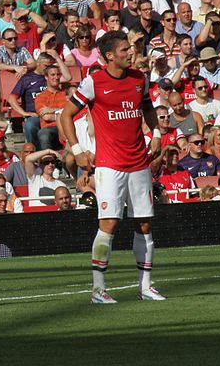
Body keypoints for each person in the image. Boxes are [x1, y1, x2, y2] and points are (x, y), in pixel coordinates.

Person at [60, 30, 164, 303]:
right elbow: (66, 115)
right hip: (109, 166)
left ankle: (145, 287)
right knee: (109, 223)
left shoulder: (139, 79)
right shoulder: (94, 82)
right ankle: (98, 290)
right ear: (109, 56)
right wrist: (77, 150)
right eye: (124, 50)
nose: (130, 53)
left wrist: (156, 134)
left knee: (144, 225)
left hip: (139, 162)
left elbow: (147, 107)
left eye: (130, 49)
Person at [34, 65, 67, 150]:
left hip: (67, 126)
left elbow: (72, 112)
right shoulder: (40, 97)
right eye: (52, 75)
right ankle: (48, 161)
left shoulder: (66, 94)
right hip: (51, 129)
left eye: (58, 74)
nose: (56, 77)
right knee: (44, 133)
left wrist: (52, 110)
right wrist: (64, 113)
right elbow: (47, 117)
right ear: (46, 77)